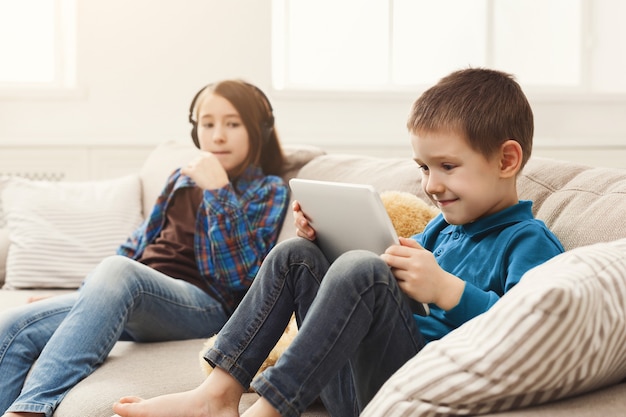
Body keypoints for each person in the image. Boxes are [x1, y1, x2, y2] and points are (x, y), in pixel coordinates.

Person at [111, 68, 565, 417]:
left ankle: (269, 407)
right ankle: (219, 393)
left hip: (408, 391)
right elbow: (368, 299)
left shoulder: (527, 241)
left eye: (447, 166)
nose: (431, 185)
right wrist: (325, 242)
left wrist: (447, 291)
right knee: (296, 254)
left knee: (364, 270)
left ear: (506, 159)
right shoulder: (441, 231)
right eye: (424, 169)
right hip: (346, 379)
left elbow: (532, 339)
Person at [0, 79, 290, 417]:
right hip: (135, 293)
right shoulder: (181, 178)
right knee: (13, 329)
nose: (218, 136)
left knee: (119, 271)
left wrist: (219, 192)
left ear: (260, 130)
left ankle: (29, 412)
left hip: (204, 304)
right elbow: (138, 243)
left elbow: (239, 278)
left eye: (232, 124)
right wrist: (86, 294)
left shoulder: (268, 191)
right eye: (208, 124)